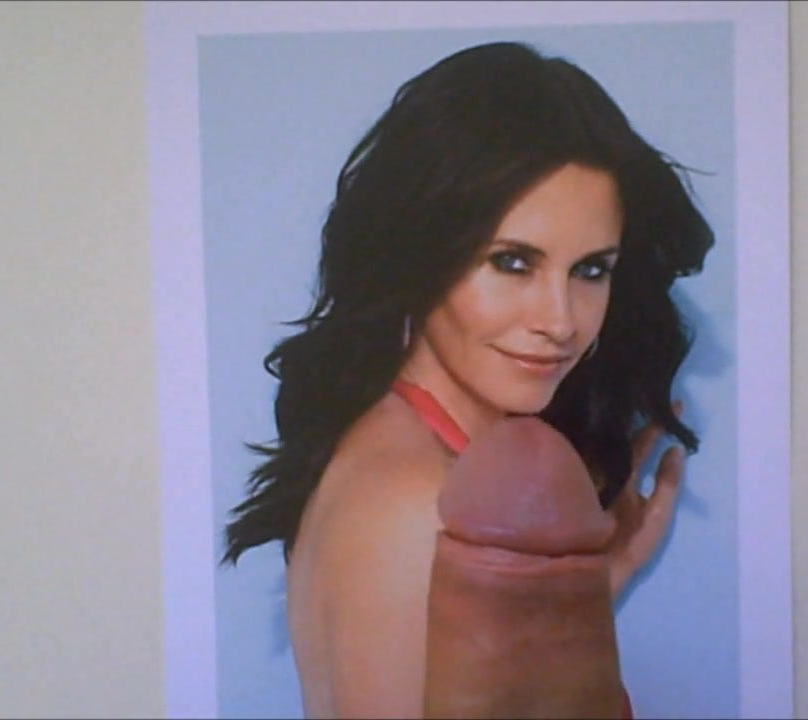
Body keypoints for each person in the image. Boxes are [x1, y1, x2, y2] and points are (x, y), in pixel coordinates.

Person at [222, 41, 714, 718]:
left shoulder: (418, 464)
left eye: (590, 270)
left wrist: (582, 592)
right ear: (419, 253)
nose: (560, 320)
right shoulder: (423, 512)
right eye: (512, 263)